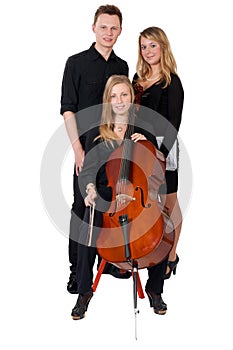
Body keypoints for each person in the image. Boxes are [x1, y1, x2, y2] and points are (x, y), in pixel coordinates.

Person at [71, 75, 168, 320]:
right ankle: (83, 293)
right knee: (87, 226)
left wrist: (150, 146)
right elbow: (88, 170)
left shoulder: (144, 128)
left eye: (124, 94)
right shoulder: (98, 132)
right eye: (114, 96)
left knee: (165, 226)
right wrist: (90, 189)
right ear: (108, 100)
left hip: (138, 198)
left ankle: (155, 290)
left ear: (132, 97)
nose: (120, 100)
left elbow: (160, 167)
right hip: (106, 197)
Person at [60, 4, 131, 294]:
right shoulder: (75, 63)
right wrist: (77, 150)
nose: (108, 33)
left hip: (114, 150)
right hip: (86, 151)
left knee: (111, 206)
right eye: (103, 27)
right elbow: (68, 110)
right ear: (93, 28)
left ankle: (110, 261)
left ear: (120, 31)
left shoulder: (122, 66)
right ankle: (77, 274)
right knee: (81, 210)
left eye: (114, 28)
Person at [132, 26, 184, 279]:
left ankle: (171, 256)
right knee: (147, 205)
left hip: (164, 149)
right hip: (140, 150)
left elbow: (173, 124)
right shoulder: (136, 79)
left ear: (163, 46)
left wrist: (156, 148)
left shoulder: (171, 81)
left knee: (170, 206)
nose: (148, 51)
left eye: (153, 45)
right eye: (143, 46)